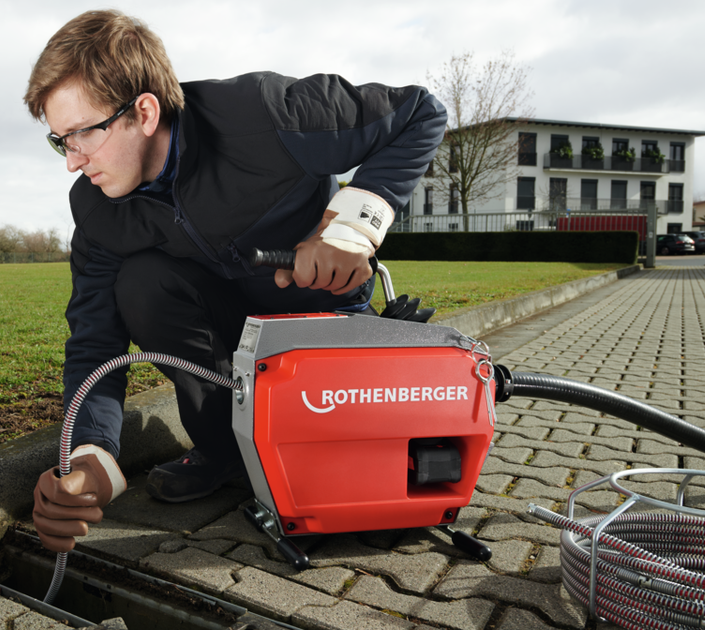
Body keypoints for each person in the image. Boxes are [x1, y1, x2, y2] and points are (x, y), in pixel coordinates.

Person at [24, 9, 447, 553]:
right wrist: (90, 457)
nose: (72, 162)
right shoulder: (98, 209)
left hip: (316, 318)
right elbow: (94, 342)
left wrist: (350, 231)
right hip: (228, 335)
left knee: (362, 499)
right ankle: (225, 452)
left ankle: (311, 443)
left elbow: (419, 113)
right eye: (61, 141)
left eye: (83, 134)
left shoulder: (266, 115)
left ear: (145, 112)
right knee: (141, 281)